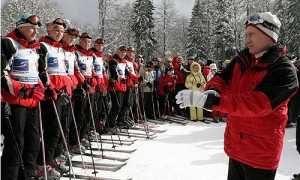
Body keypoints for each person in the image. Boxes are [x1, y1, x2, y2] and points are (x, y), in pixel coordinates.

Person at [175, 12, 298, 180]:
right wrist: (213, 91)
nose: (247, 39)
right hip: (237, 147)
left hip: (260, 154)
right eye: (246, 34)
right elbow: (222, 77)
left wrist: (214, 102)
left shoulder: (284, 70)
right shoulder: (243, 59)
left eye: (252, 34)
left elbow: (256, 104)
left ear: (268, 35)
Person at [1, 13, 45, 180]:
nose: (35, 32)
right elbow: (1, 75)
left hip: (32, 103)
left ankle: (28, 175)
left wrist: (43, 89)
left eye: (36, 29)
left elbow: (37, 75)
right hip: (15, 103)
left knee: (33, 142)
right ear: (20, 27)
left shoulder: (35, 48)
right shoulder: (8, 43)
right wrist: (21, 90)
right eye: (31, 28)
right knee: (15, 146)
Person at [36, 17, 71, 178]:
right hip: (51, 94)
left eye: (62, 31)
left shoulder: (60, 49)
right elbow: (42, 71)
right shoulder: (42, 46)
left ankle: (53, 158)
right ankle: (42, 163)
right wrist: (50, 88)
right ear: (49, 29)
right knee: (52, 129)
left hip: (62, 92)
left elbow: (63, 72)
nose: (59, 33)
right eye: (56, 29)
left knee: (60, 128)